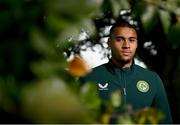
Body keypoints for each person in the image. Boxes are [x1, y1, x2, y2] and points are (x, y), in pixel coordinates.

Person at [79, 19, 172, 123]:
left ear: (136, 43)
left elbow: (165, 121)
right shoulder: (89, 78)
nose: (126, 45)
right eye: (119, 39)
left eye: (131, 40)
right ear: (109, 42)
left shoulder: (152, 79)